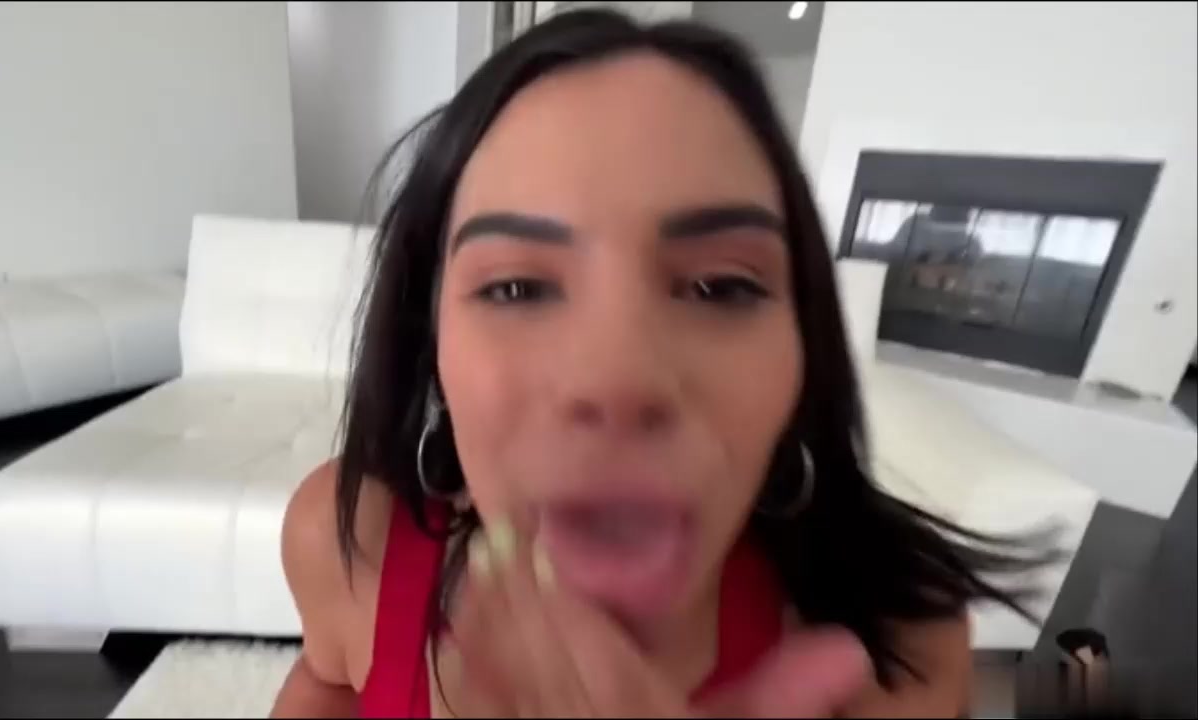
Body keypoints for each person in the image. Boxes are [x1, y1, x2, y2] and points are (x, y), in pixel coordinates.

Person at [272, 9, 1043, 718]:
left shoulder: (899, 645)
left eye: (720, 287)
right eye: (516, 287)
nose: (617, 379)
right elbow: (327, 683)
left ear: (804, 353)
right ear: (430, 341)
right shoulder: (347, 543)